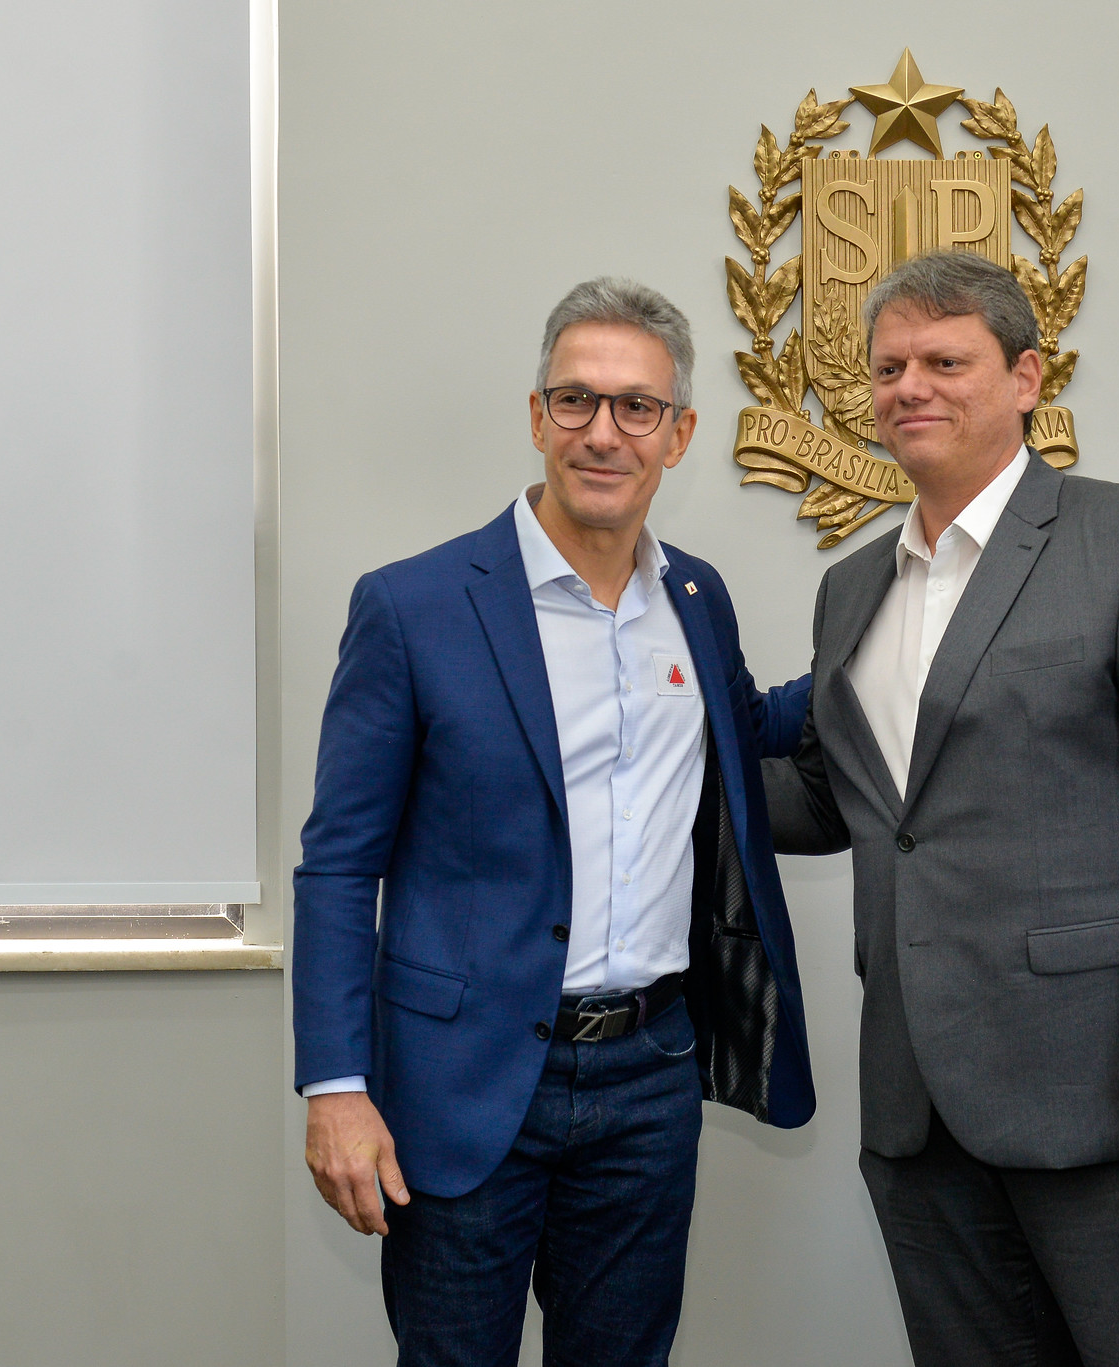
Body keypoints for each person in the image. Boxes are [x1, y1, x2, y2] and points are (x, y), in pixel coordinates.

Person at [765, 250, 1119, 1366]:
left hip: (1115, 1105)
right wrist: (634, 771)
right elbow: (846, 801)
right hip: (917, 1109)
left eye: (943, 360)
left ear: (1025, 376)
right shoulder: (851, 589)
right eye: (887, 366)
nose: (908, 385)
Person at [292, 278, 814, 1367]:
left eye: (635, 407)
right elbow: (338, 867)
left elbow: (750, 724)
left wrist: (907, 619)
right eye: (574, 400)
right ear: (535, 417)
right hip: (463, 1083)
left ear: (679, 435)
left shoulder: (698, 600)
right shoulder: (413, 605)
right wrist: (336, 1086)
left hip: (649, 1076)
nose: (602, 432)